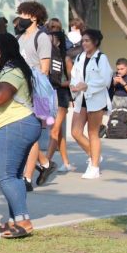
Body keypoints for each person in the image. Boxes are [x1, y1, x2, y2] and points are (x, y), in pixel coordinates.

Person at [0, 32, 41, 239]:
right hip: (18, 125)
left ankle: (23, 220)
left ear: (4, 49)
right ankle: (15, 220)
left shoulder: (13, 71)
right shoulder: (10, 69)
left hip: (14, 126)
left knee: (5, 176)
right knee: (13, 176)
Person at [15, 0, 57, 188]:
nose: (20, 18)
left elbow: (44, 70)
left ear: (33, 16)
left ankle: (27, 177)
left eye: (23, 14)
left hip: (35, 92)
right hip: (18, 92)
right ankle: (46, 164)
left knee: (31, 134)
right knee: (24, 134)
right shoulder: (19, 38)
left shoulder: (42, 38)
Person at [70, 29, 112, 180]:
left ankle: (94, 167)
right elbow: (75, 75)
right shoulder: (80, 57)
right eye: (83, 41)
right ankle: (94, 155)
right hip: (81, 99)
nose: (84, 43)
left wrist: (87, 86)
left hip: (96, 100)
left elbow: (105, 80)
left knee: (93, 133)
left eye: (87, 40)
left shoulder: (102, 58)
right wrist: (75, 86)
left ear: (95, 42)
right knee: (75, 132)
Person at [44, 26, 75, 173]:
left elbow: (73, 80)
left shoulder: (66, 59)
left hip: (61, 97)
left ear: (57, 42)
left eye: (51, 39)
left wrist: (61, 84)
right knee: (57, 131)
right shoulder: (47, 58)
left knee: (54, 131)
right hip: (49, 96)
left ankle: (46, 162)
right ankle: (66, 162)